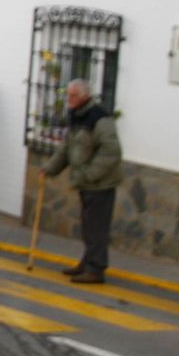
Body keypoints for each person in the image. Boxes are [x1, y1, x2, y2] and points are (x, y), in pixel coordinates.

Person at [41, 79, 123, 285]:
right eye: (68, 95)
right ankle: (88, 263)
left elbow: (111, 153)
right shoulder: (77, 117)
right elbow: (66, 148)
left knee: (96, 227)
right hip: (87, 183)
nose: (68, 99)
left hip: (99, 184)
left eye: (73, 96)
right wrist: (50, 168)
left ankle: (96, 269)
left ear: (84, 96)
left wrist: (88, 174)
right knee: (88, 226)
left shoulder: (100, 119)